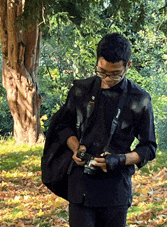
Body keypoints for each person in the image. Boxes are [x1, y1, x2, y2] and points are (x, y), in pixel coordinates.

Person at [55, 33, 157, 227]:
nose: (108, 79)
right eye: (102, 72)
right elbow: (63, 126)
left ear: (128, 66)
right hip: (81, 184)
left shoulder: (140, 98)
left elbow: (149, 147)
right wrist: (76, 148)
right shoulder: (81, 89)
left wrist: (120, 159)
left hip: (116, 188)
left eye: (115, 73)